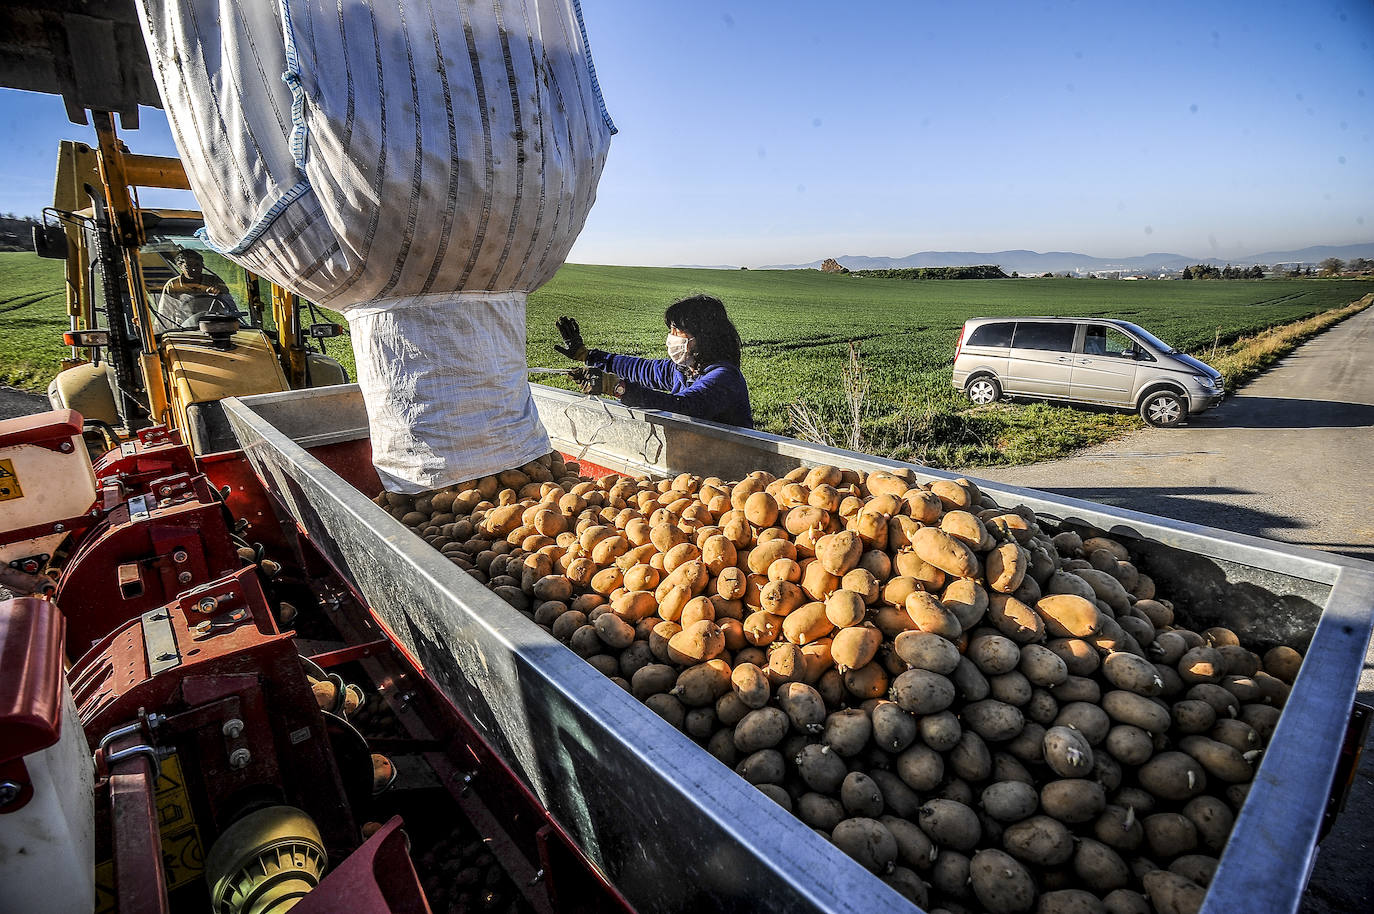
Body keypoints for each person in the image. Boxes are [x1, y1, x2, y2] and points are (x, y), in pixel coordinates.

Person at [555, 294, 753, 428]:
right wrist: (587, 356)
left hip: (732, 465)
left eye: (678, 331)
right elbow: (638, 369)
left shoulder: (724, 377)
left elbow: (685, 408)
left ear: (703, 336)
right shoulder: (685, 369)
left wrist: (617, 388)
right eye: (671, 330)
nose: (672, 337)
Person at [159, 248, 237, 328]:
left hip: (213, 327)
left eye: (197, 265)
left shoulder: (214, 281)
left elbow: (230, 306)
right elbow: (164, 314)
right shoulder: (172, 285)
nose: (194, 269)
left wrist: (219, 294)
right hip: (184, 330)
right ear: (180, 267)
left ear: (202, 265)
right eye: (188, 266)